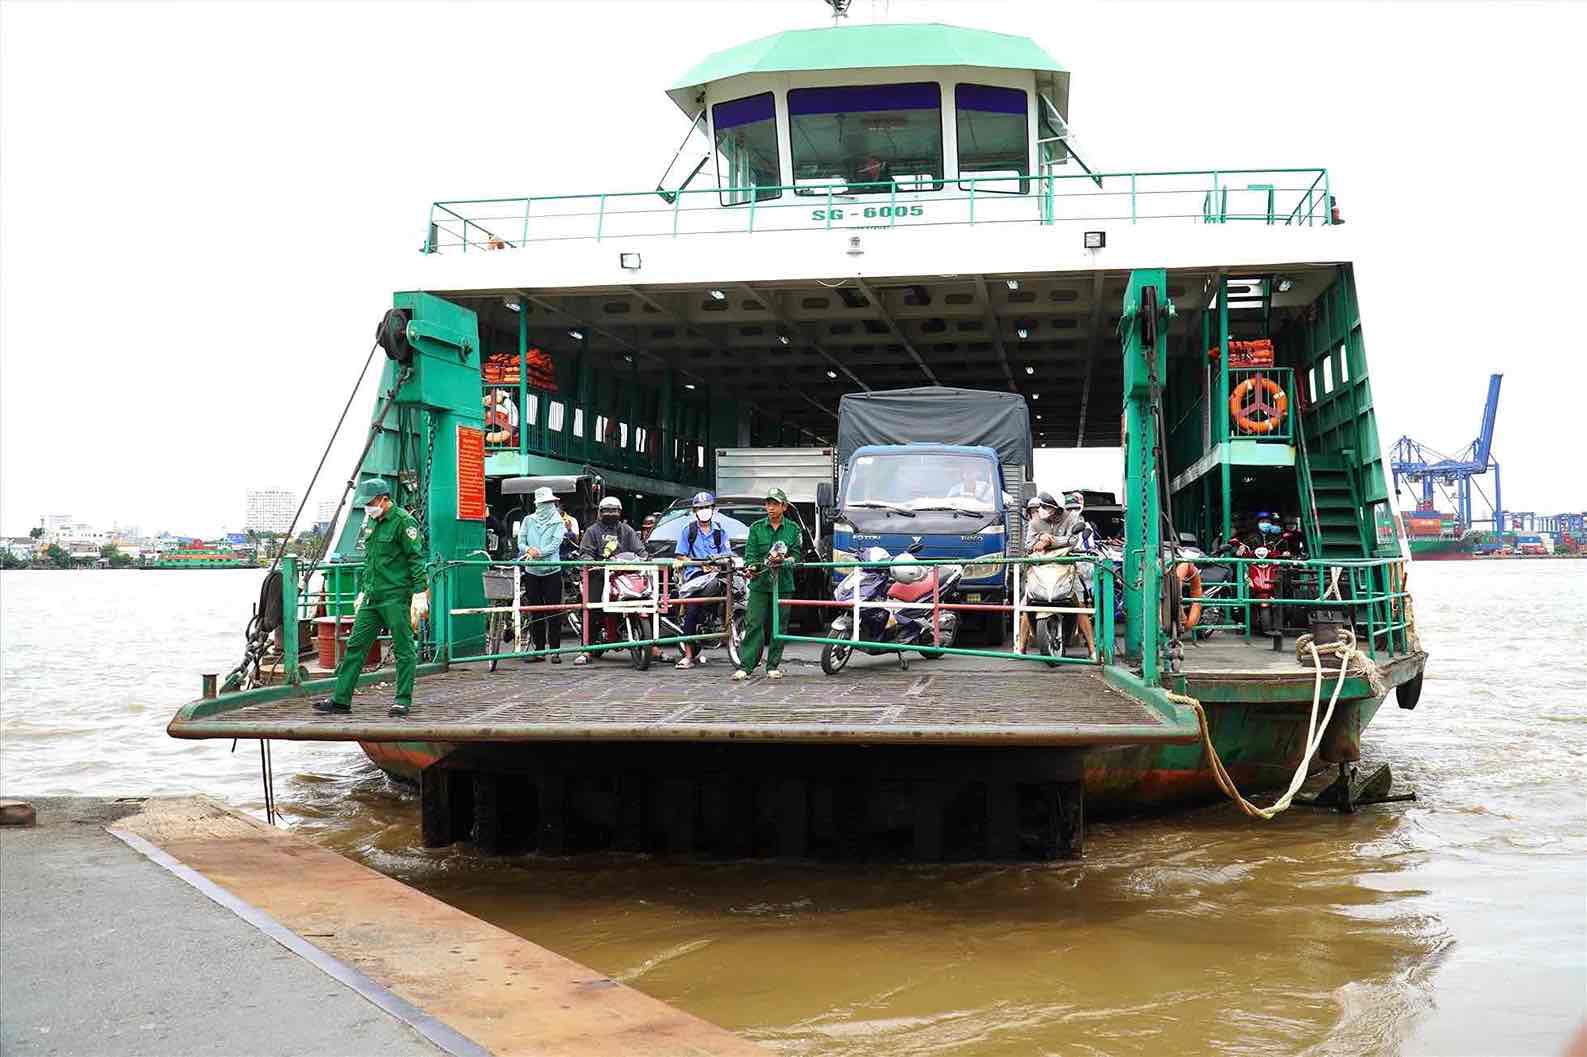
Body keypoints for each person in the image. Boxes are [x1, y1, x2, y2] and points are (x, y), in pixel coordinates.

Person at [314, 478, 427, 717]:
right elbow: (371, 560)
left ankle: (402, 700)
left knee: (404, 648)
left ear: (384, 500)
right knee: (355, 646)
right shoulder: (372, 523)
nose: (368, 507)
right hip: (372, 598)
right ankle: (341, 700)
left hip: (395, 597)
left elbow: (416, 559)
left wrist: (419, 593)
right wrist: (364, 589)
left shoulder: (404, 522)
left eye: (371, 503)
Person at [734, 488, 803, 681]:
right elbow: (750, 555)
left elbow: (797, 554)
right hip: (760, 583)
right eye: (768, 504)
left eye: (775, 504)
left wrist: (787, 560)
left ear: (784, 506)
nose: (771, 508)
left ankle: (772, 665)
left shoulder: (793, 529)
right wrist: (752, 567)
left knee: (779, 626)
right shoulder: (756, 528)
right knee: (754, 623)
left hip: (783, 584)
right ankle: (746, 666)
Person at [573, 496, 645, 666]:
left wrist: (644, 558)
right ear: (600, 512)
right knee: (592, 607)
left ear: (620, 512)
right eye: (607, 510)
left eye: (614, 510)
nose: (611, 513)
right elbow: (585, 552)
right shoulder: (592, 531)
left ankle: (654, 647)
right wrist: (590, 561)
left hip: (623, 575)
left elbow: (640, 550)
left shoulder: (627, 531)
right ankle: (586, 649)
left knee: (647, 602)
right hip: (599, 575)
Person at [674, 492, 733, 670]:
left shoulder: (719, 531)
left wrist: (716, 561)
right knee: (693, 610)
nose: (704, 511)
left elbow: (727, 552)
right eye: (700, 508)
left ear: (713, 509)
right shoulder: (689, 530)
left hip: (717, 575)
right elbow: (680, 556)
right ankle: (689, 655)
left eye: (707, 507)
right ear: (695, 511)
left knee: (735, 596)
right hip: (695, 577)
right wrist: (700, 565)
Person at [516, 486, 566, 664]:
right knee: (535, 611)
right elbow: (520, 541)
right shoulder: (528, 520)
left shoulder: (558, 521)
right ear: (538, 504)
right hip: (532, 572)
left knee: (553, 611)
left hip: (552, 571)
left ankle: (555, 650)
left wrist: (539, 552)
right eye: (545, 503)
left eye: (550, 502)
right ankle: (539, 649)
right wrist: (529, 549)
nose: (549, 505)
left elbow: (555, 544)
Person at [1015, 493, 1062, 653]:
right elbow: (1028, 548)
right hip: (1037, 572)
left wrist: (1050, 541)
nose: (1037, 512)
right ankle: (1021, 647)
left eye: (1041, 508)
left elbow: (1068, 541)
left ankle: (1092, 649)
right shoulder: (1033, 526)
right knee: (1027, 605)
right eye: (1034, 510)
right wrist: (1040, 540)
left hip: (1060, 571)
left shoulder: (1060, 522)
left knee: (1081, 605)